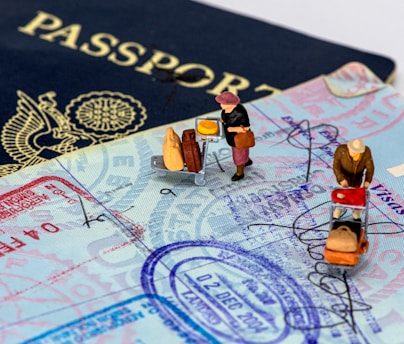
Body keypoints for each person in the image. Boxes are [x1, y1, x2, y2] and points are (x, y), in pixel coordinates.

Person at [332, 138, 374, 220]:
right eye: (352, 150)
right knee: (340, 198)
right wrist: (341, 179)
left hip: (357, 180)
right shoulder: (341, 150)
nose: (353, 153)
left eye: (355, 151)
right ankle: (336, 215)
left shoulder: (366, 153)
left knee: (357, 200)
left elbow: (370, 168)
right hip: (344, 180)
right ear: (348, 147)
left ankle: (356, 217)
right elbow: (336, 166)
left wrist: (367, 181)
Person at [215, 91, 253, 181]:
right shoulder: (226, 110)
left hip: (239, 138)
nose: (220, 105)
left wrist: (232, 129)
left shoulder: (240, 113)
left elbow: (246, 128)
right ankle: (247, 160)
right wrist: (223, 121)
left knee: (238, 155)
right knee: (242, 152)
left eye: (222, 103)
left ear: (230, 104)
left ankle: (240, 173)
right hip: (231, 137)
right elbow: (225, 118)